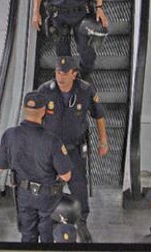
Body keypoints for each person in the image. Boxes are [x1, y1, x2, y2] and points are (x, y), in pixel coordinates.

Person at [38, 56, 108, 242]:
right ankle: (50, 223)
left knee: (79, 188)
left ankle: (81, 223)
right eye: (57, 72)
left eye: (65, 73)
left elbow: (99, 116)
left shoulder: (85, 90)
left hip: (73, 150)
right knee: (48, 187)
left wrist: (103, 141)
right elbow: (35, 117)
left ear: (74, 74)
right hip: (50, 151)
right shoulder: (45, 90)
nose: (60, 77)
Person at [0, 91, 72, 243]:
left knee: (28, 234)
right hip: (48, 196)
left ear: (24, 108)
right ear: (43, 111)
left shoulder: (10, 135)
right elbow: (66, 176)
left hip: (23, 194)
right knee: (47, 234)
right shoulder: (53, 141)